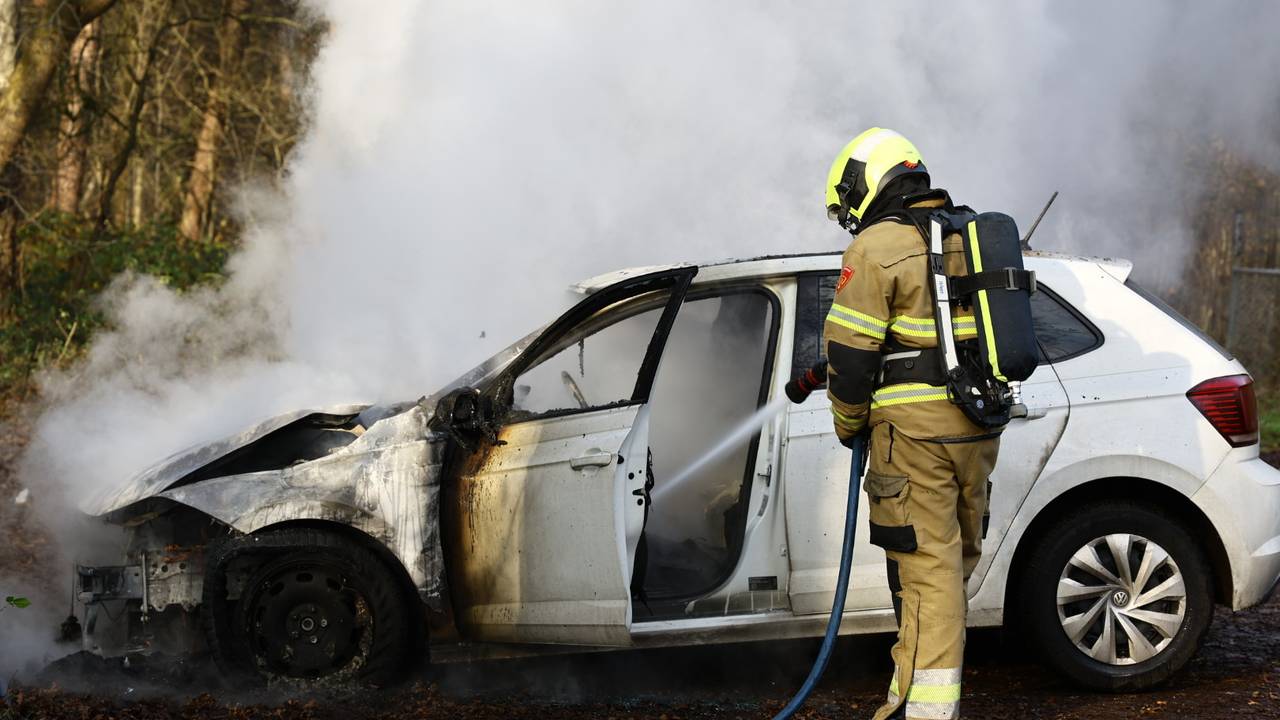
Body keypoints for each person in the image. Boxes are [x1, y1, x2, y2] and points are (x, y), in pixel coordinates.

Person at [822, 128, 1002, 720]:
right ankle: (910, 695)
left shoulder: (877, 247)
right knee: (951, 567)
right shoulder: (968, 235)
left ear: (866, 183)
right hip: (977, 428)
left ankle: (924, 713)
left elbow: (850, 357)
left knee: (927, 576)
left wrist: (849, 423)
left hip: (913, 438)